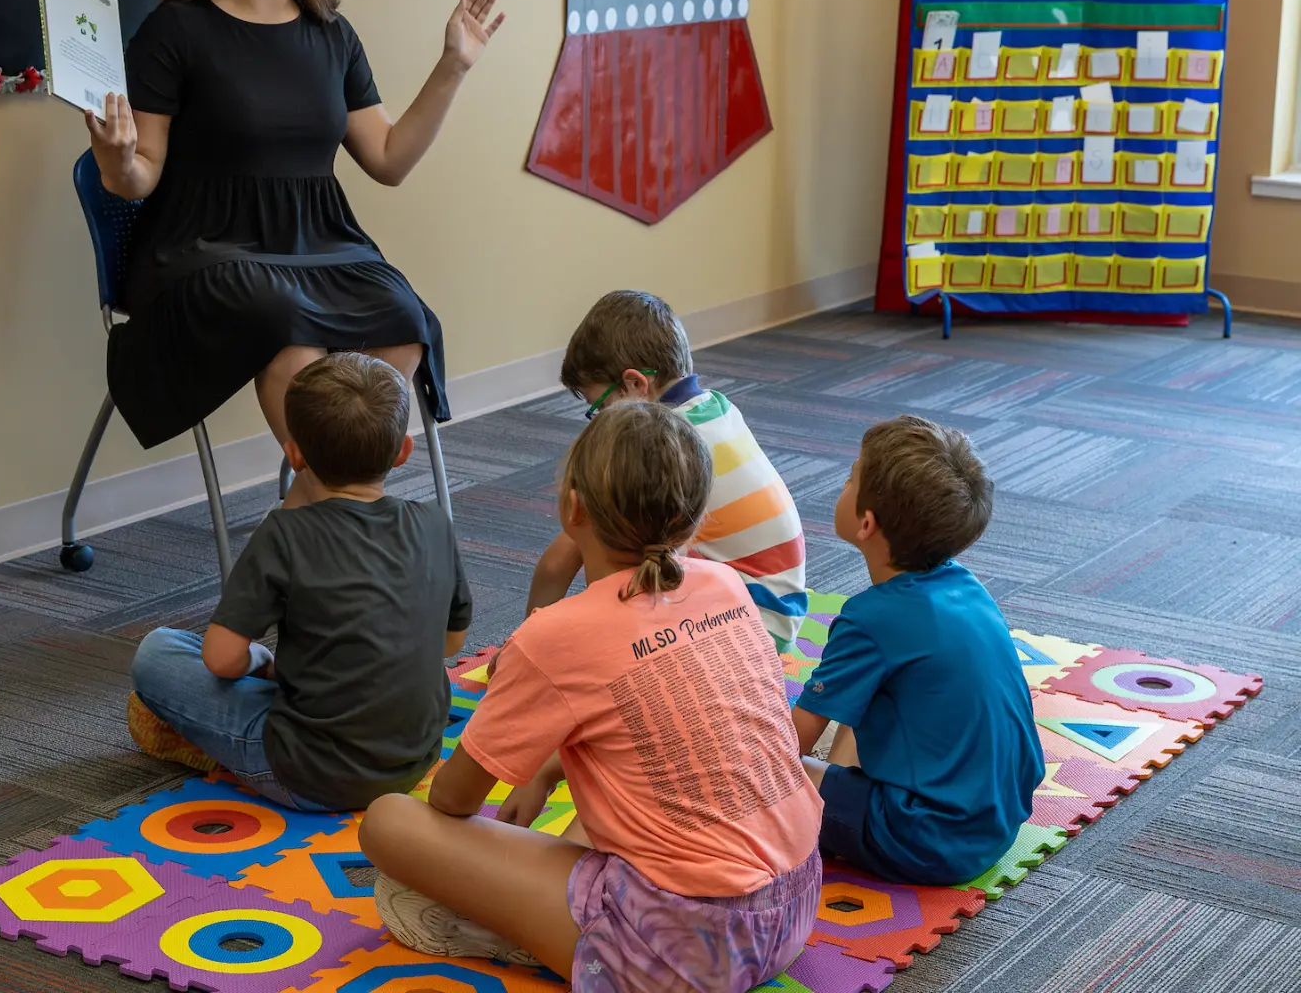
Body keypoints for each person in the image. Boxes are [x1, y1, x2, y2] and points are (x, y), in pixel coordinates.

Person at [84, 0, 504, 506]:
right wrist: (114, 157)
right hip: (205, 247)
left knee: (402, 318)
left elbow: (389, 159)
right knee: (287, 336)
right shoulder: (175, 32)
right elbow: (141, 174)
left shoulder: (331, 34)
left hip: (320, 242)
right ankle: (339, 519)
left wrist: (453, 65)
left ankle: (314, 506)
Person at [359, 402, 823, 993]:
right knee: (621, 801)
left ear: (572, 508)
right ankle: (554, 917)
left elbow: (452, 800)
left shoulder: (553, 634)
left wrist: (524, 774)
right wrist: (548, 770)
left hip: (685, 951)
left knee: (389, 820)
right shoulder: (728, 584)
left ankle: (531, 936)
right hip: (795, 907)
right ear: (694, 517)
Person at [127, 352, 473, 811]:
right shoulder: (432, 521)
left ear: (294, 456)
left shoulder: (283, 534)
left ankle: (221, 749)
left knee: (158, 651)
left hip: (309, 777)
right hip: (413, 761)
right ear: (403, 452)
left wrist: (257, 659)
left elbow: (220, 659)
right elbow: (450, 644)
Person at [793, 415, 1043, 886]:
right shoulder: (966, 585)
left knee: (752, 781)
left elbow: (789, 747)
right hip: (998, 819)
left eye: (850, 478)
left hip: (930, 839)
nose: (842, 483)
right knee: (870, 694)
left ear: (866, 523)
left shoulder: (869, 620)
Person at [525, 291, 809, 652]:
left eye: (600, 407)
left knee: (611, 553)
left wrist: (528, 645)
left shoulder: (665, 449)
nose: (597, 421)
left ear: (635, 385)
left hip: (748, 629)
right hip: (778, 608)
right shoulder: (715, 408)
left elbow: (560, 560)